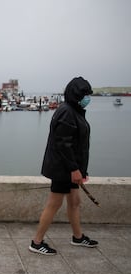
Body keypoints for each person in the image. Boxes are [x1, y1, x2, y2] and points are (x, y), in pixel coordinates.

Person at [29, 77, 98, 255]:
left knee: (74, 202)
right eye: (85, 94)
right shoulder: (67, 112)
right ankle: (36, 242)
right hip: (63, 169)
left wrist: (82, 171)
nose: (87, 98)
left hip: (71, 168)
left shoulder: (74, 110)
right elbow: (63, 144)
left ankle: (78, 236)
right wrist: (75, 170)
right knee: (54, 203)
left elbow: (77, 146)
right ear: (76, 94)